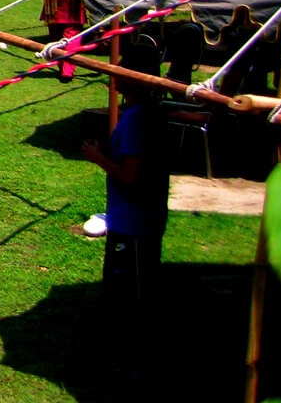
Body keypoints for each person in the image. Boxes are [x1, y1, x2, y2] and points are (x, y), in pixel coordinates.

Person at [82, 40, 169, 381]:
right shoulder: (146, 114)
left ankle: (131, 363)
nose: (114, 74)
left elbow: (132, 174)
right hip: (136, 220)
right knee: (131, 292)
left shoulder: (137, 119)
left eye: (122, 67)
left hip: (135, 225)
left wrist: (98, 158)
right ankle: (128, 358)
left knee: (131, 296)